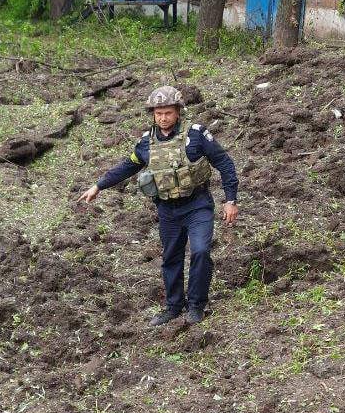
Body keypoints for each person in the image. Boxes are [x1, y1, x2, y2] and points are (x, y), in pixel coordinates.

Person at [78, 86, 238, 325]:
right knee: (171, 258)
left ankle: (196, 305)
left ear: (178, 112)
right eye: (158, 113)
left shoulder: (196, 135)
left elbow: (224, 163)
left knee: (201, 252)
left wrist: (230, 200)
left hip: (198, 205)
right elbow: (128, 166)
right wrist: (99, 186)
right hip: (167, 210)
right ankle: (173, 306)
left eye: (168, 113)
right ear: (153, 114)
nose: (163, 118)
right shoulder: (146, 142)